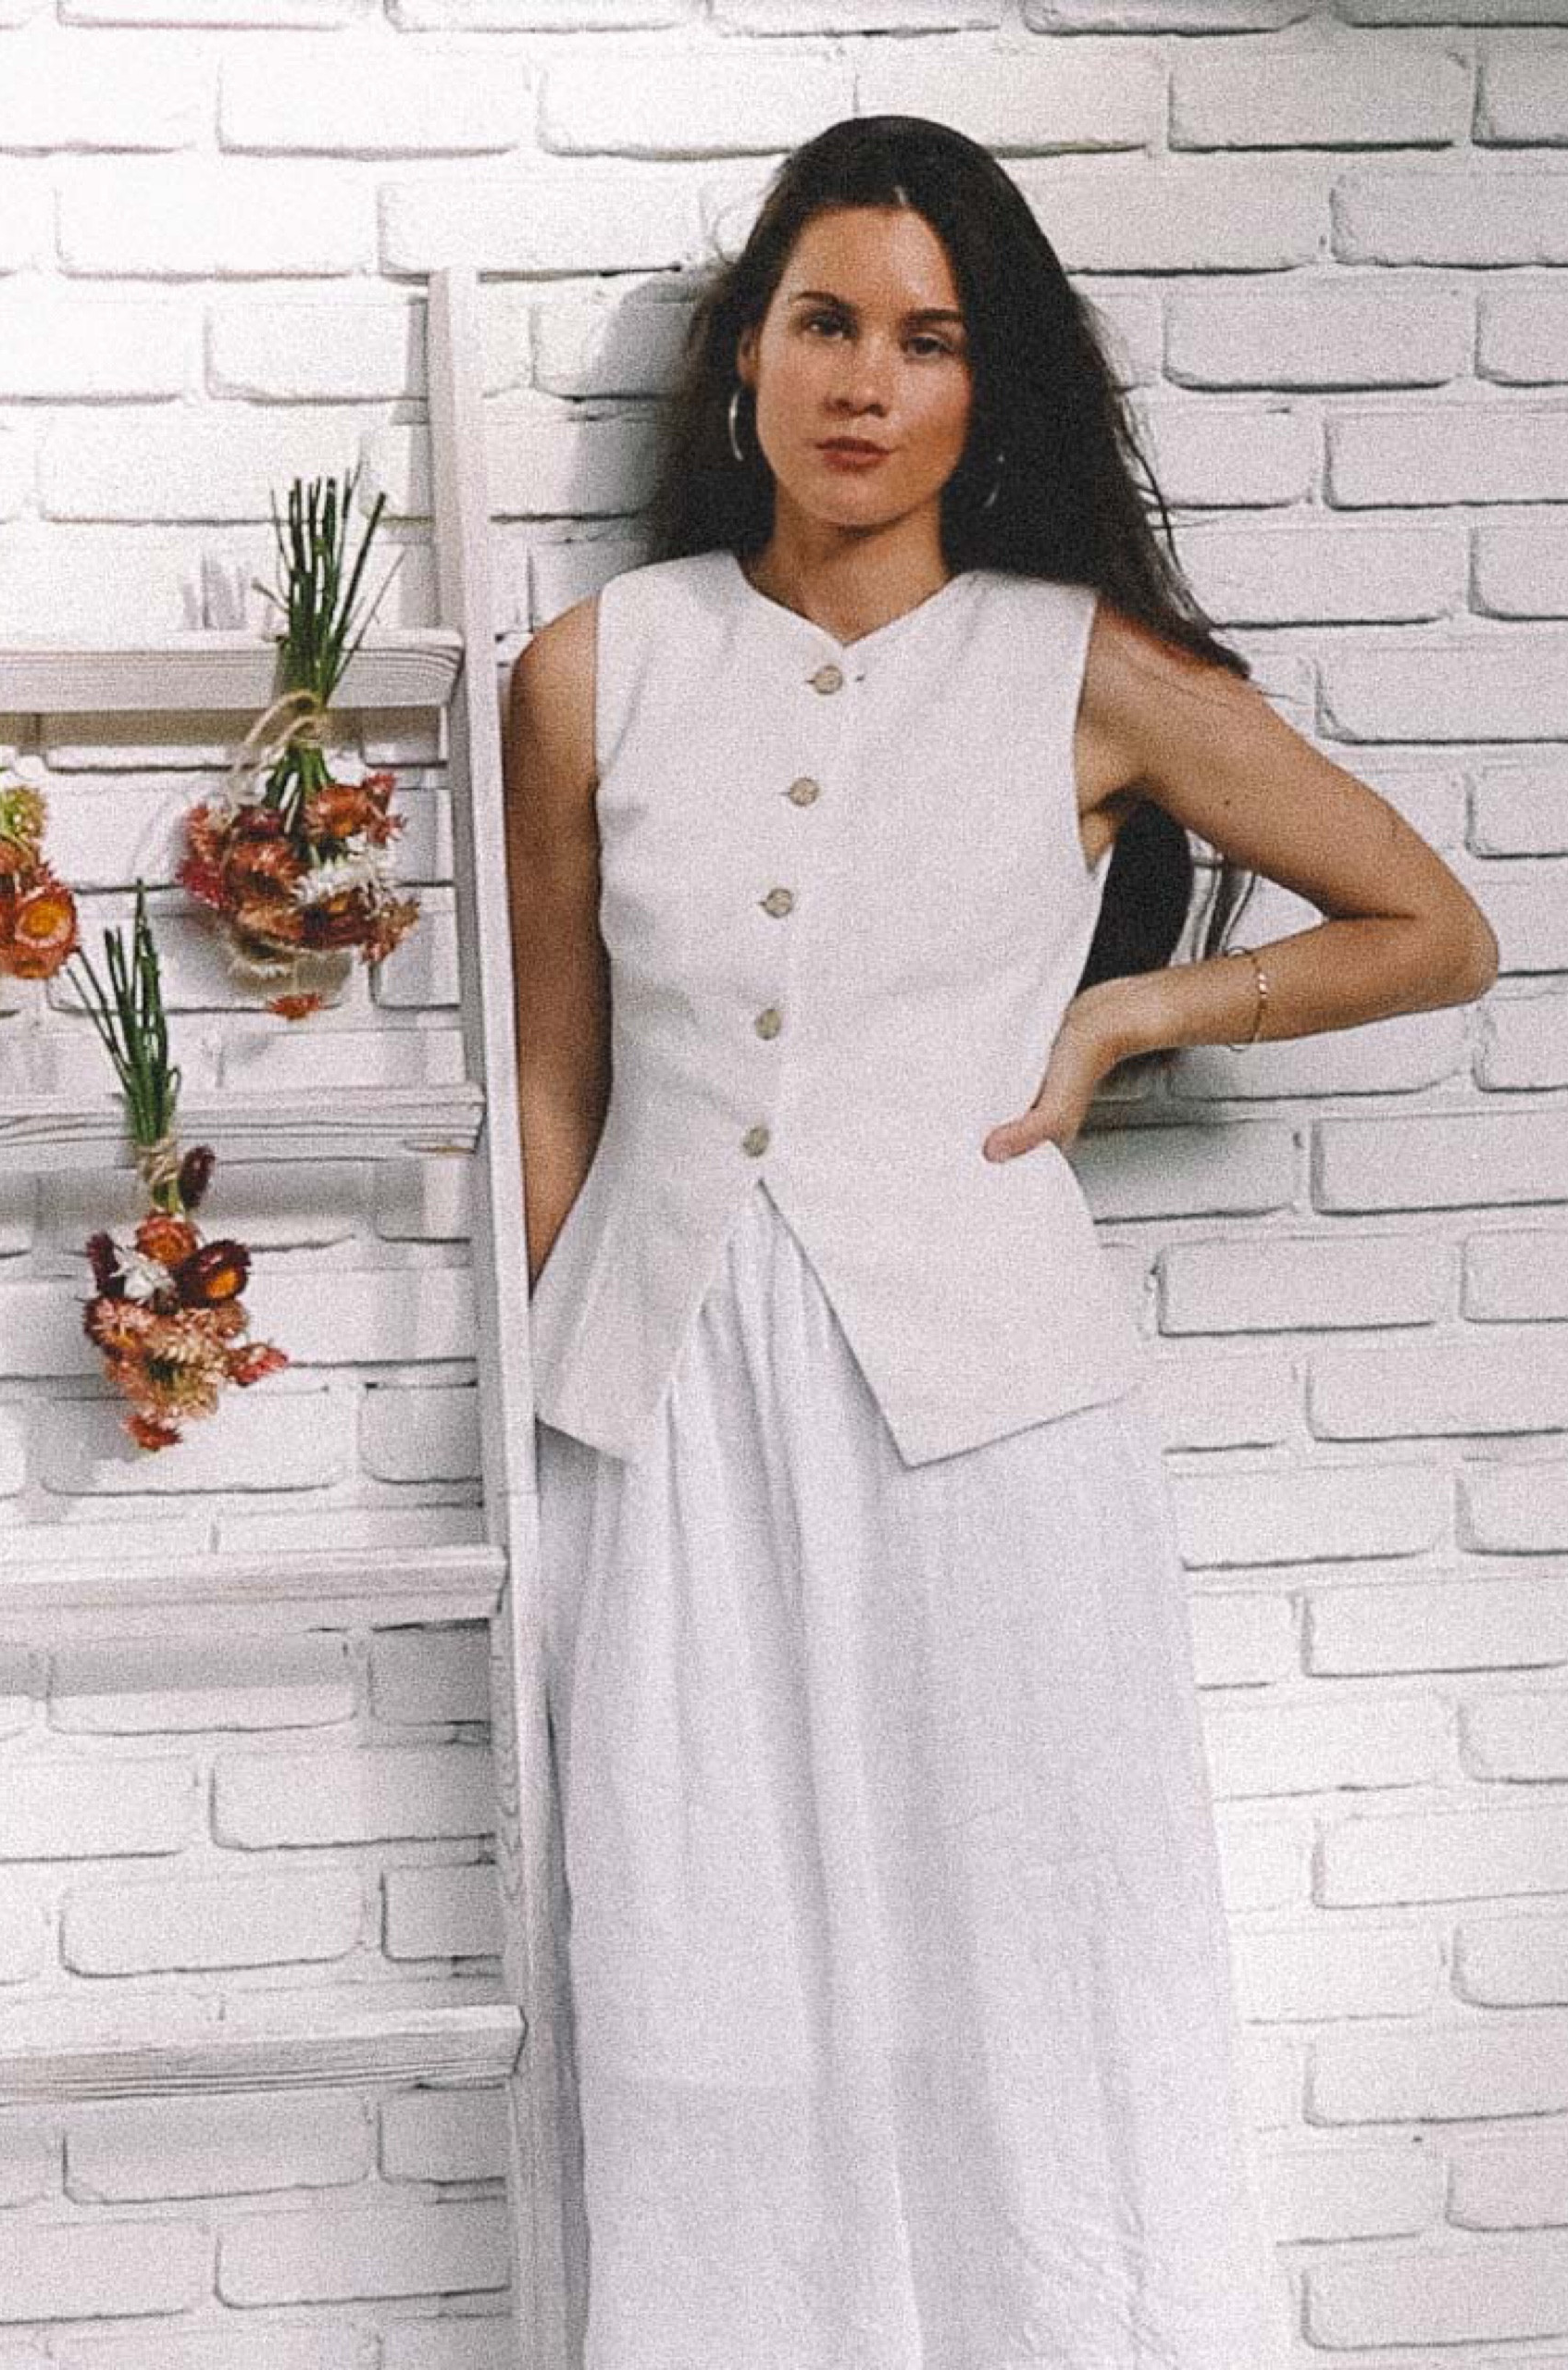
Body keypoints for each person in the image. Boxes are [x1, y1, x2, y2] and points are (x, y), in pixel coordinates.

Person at [502, 114, 1499, 2370]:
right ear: (741, 361)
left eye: (927, 338)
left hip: (985, 1424)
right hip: (658, 1417)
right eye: (824, 321)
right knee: (696, 1996)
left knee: (1026, 1972)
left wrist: (1141, 1003)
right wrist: (514, 1427)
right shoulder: (591, 669)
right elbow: (560, 1083)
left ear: (989, 387)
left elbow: (1430, 926)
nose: (865, 380)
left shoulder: (1080, 665)